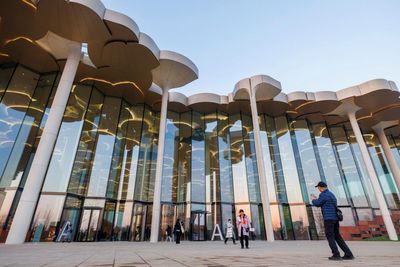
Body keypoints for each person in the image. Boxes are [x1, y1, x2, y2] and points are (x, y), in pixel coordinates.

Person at [311, 181, 354, 261]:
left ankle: (336, 255)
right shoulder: (332, 194)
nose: (319, 189)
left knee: (330, 236)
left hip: (328, 219)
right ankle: (349, 254)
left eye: (319, 188)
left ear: (321, 187)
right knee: (337, 237)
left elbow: (317, 204)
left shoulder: (323, 195)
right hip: (335, 219)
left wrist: (313, 199)